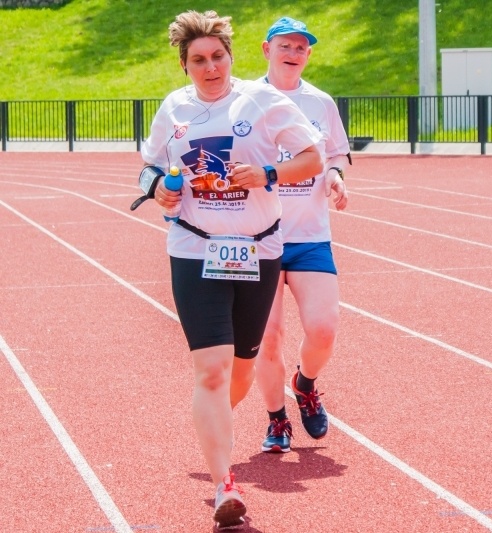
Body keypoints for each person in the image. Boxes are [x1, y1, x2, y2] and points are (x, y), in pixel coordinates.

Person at [143, 10, 322, 529]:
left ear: (231, 57)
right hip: (194, 248)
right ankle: (225, 486)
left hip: (257, 250)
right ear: (184, 66)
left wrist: (267, 173)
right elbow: (150, 166)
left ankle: (214, 415)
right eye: (198, 60)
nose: (210, 67)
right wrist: (160, 188)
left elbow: (312, 157)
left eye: (217, 56)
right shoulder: (174, 108)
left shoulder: (263, 101)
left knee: (241, 368)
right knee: (212, 369)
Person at [245, 16, 350, 454]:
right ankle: (277, 420)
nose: (293, 53)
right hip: (258, 237)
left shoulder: (320, 102)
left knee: (323, 329)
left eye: (301, 47)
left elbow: (337, 153)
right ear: (267, 49)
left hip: (309, 236)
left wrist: (336, 177)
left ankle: (305, 384)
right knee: (267, 338)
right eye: (285, 45)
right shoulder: (244, 101)